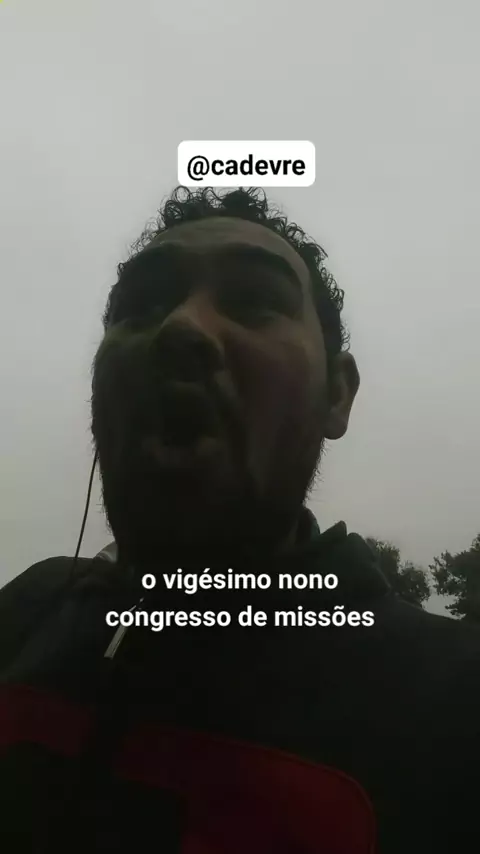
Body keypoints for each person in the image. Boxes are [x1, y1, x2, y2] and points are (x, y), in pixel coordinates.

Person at [0, 186, 479, 853]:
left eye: (253, 300)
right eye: (141, 305)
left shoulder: (454, 705)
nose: (180, 328)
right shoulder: (26, 612)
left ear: (337, 394)